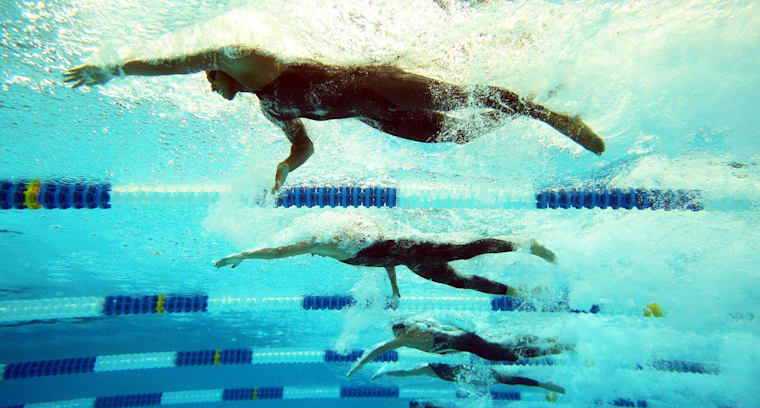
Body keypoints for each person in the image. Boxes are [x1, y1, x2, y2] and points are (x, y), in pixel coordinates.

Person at [64, 43, 605, 191]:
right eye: (210, 79)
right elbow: (304, 146)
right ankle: (523, 111)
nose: (209, 83)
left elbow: (189, 59)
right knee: (456, 136)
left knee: (458, 98)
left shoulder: (254, 66)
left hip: (374, 82)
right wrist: (286, 166)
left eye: (211, 78)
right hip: (374, 117)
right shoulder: (269, 105)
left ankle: (544, 110)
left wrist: (116, 69)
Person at [215, 232, 556, 309]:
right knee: (459, 282)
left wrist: (243, 254)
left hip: (412, 249)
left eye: (309, 249)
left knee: (462, 252)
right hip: (407, 260)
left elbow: (279, 252)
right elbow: (382, 259)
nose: (310, 252)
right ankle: (516, 292)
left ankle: (526, 243)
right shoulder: (342, 252)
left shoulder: (333, 245)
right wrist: (394, 288)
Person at [347, 318, 570, 377]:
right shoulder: (420, 330)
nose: (397, 338)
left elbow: (381, 348)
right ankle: (551, 342)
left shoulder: (408, 337)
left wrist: (359, 365)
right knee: (506, 346)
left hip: (470, 343)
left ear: (401, 331)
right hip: (470, 341)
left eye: (397, 334)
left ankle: (558, 346)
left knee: (510, 355)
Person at [373, 362, 565, 393]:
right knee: (504, 377)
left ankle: (543, 383)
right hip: (454, 372)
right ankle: (542, 383)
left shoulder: (431, 368)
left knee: (504, 377)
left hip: (459, 371)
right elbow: (406, 373)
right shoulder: (430, 368)